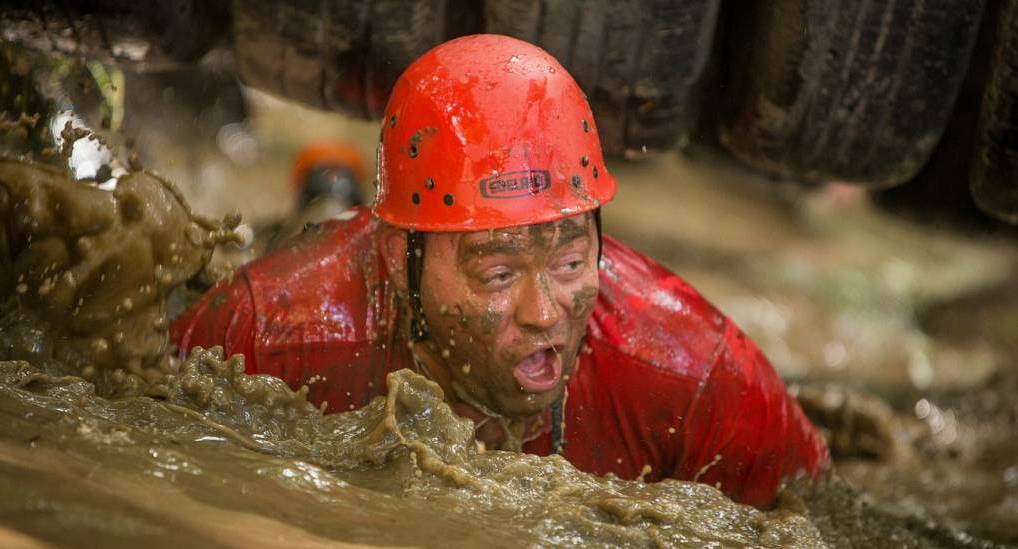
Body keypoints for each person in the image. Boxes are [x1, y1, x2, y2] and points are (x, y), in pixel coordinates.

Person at [171, 34, 829, 508]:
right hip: (345, 241)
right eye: (499, 274)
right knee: (319, 215)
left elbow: (823, 514)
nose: (546, 312)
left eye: (571, 260)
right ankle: (328, 185)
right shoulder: (272, 330)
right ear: (401, 263)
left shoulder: (698, 375)